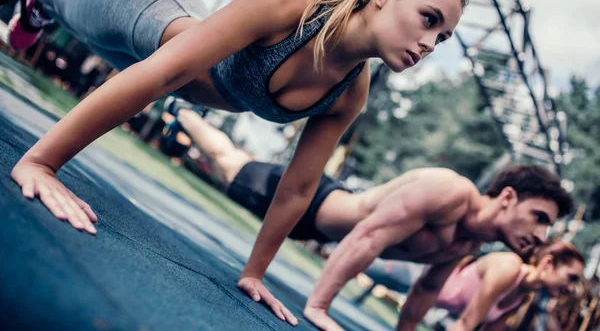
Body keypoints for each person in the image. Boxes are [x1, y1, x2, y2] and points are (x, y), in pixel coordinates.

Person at [4, 0, 468, 323]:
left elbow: (300, 188)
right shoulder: (294, 4)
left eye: (443, 37)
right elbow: (161, 76)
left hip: (152, 73)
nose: (430, 44)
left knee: (70, 26)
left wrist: (255, 273)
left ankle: (35, 15)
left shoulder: (351, 91)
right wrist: (41, 163)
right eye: (429, 19)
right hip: (149, 18)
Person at [172, 108, 574, 330]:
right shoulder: (448, 192)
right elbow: (368, 236)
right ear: (507, 198)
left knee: (228, 161)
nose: (541, 235)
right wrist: (319, 308)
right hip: (312, 203)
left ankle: (184, 114)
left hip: (317, 229)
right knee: (229, 161)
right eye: (539, 217)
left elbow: (426, 290)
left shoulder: (470, 242)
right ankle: (183, 108)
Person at [433, 239, 584, 331]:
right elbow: (465, 325)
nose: (570, 288)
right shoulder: (509, 267)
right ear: (548, 263)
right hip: (418, 279)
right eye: (571, 278)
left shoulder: (523, 297)